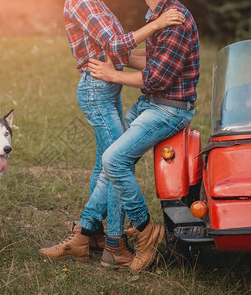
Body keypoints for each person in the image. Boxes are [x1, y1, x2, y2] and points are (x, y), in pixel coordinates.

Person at [39, 0, 185, 268]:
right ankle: (114, 245)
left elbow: (119, 53)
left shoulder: (97, 3)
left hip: (106, 89)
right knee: (116, 163)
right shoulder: (82, 2)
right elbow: (116, 44)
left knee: (106, 165)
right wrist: (156, 25)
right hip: (97, 91)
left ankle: (89, 234)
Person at [86, 0, 200, 272]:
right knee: (109, 163)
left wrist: (113, 74)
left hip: (169, 109)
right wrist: (121, 57)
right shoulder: (157, 14)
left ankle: (145, 230)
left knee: (114, 159)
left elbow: (156, 77)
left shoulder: (176, 19)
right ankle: (95, 235)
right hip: (150, 104)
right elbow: (154, 59)